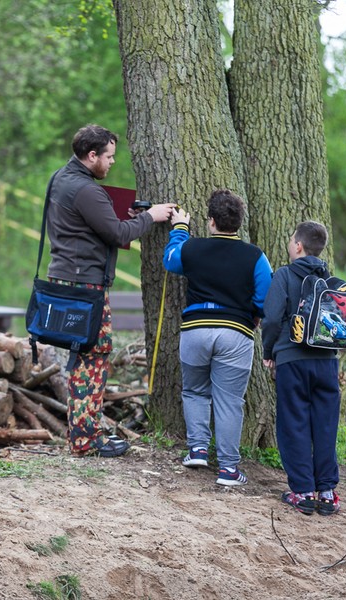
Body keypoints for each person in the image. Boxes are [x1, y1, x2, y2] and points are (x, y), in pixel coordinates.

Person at [45, 124, 175, 458]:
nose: (112, 162)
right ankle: (86, 441)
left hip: (65, 279)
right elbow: (117, 234)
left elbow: (92, 226)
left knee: (83, 358)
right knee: (93, 360)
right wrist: (150, 217)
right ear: (92, 155)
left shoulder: (60, 179)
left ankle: (83, 435)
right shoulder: (87, 190)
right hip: (86, 286)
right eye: (109, 157)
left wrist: (126, 218)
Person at [162, 189, 272, 486]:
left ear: (211, 221)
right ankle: (228, 469)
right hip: (236, 333)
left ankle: (197, 449)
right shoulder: (255, 256)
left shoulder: (192, 248)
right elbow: (265, 297)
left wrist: (180, 229)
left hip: (196, 329)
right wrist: (255, 315)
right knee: (230, 401)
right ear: (239, 223)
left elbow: (170, 260)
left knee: (195, 391)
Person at [261, 221, 341, 515]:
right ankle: (327, 492)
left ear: (298, 246)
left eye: (291, 239)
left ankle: (303, 491)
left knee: (294, 422)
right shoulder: (331, 280)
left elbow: (271, 318)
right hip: (326, 362)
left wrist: (269, 351)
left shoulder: (284, 275)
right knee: (325, 425)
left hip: (292, 360)